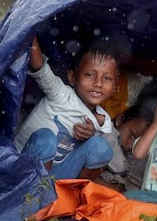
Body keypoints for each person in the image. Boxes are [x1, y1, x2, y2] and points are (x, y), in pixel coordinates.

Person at [14, 36, 118, 180]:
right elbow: (39, 66)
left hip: (57, 176)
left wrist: (90, 135)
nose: (98, 83)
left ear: (114, 86)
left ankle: (73, 193)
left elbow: (92, 154)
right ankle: (33, 193)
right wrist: (30, 33)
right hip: (24, 166)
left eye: (107, 78)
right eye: (89, 75)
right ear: (72, 77)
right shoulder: (60, 93)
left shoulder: (103, 121)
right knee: (46, 138)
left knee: (103, 148)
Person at [97, 105, 150, 191]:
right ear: (120, 120)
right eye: (132, 135)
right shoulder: (105, 134)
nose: (130, 146)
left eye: (139, 144)